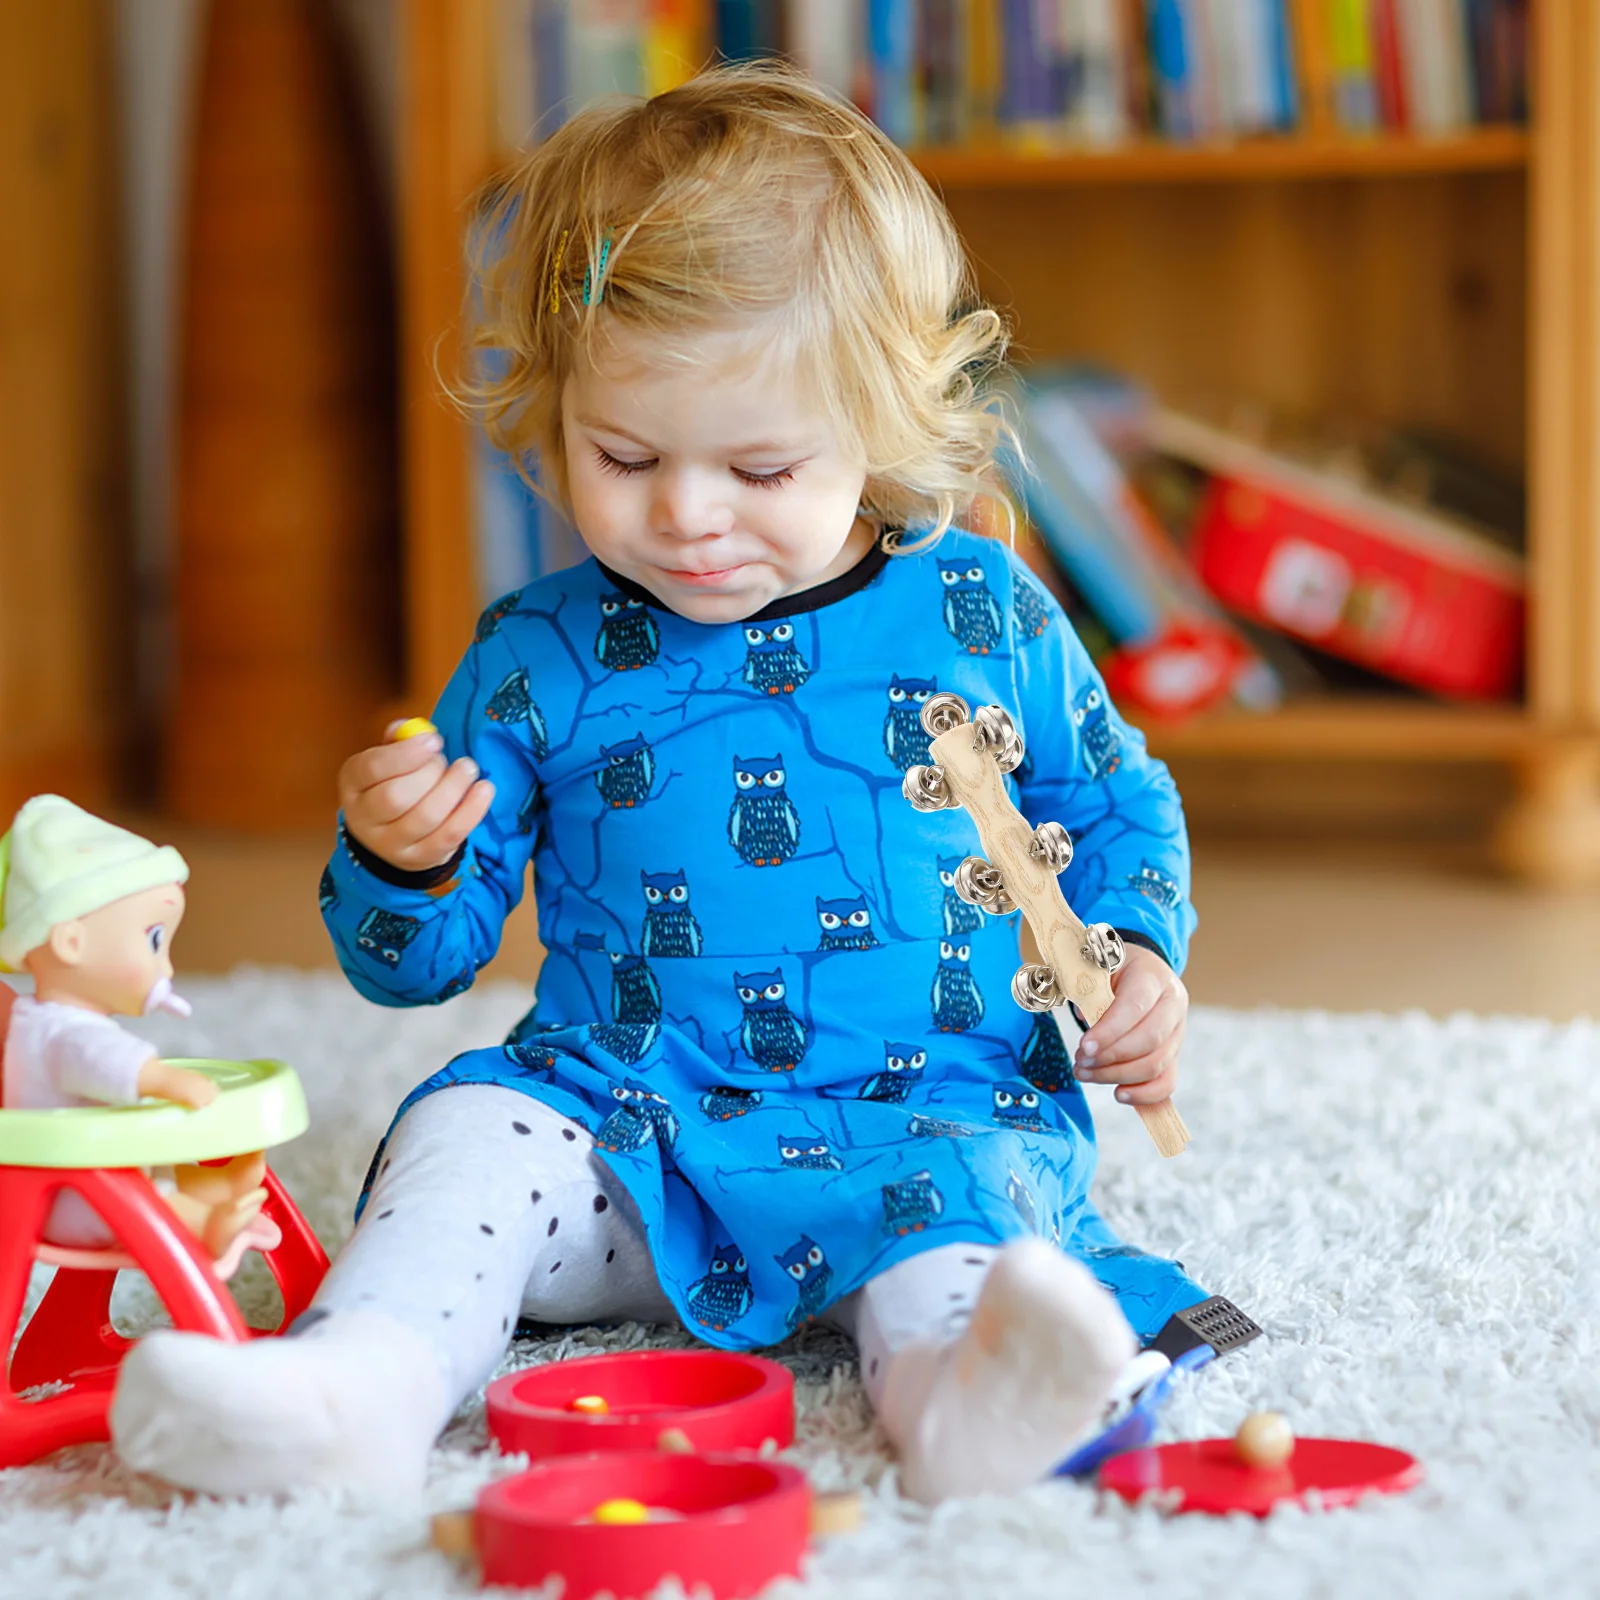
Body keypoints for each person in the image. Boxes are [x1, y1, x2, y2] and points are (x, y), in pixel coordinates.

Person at [112, 63, 1224, 1504]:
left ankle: (972, 1402)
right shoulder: (537, 658)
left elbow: (1118, 804)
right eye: (623, 455)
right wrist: (401, 860)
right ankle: (355, 1385)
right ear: (559, 406)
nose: (688, 517)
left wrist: (1134, 956)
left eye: (762, 468)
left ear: (880, 425)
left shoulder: (980, 613)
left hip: (923, 1123)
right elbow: (414, 971)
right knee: (461, 1138)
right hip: (625, 1132)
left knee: (968, 1239)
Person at [0, 795, 274, 1269]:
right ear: (71, 943)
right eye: (153, 941)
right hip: (71, 1200)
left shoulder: (45, 1022)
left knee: (161, 1184)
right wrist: (162, 1079)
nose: (164, 966)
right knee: (156, 1205)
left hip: (86, 1181)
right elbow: (101, 1060)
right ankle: (206, 1225)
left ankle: (212, 1195)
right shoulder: (59, 1032)